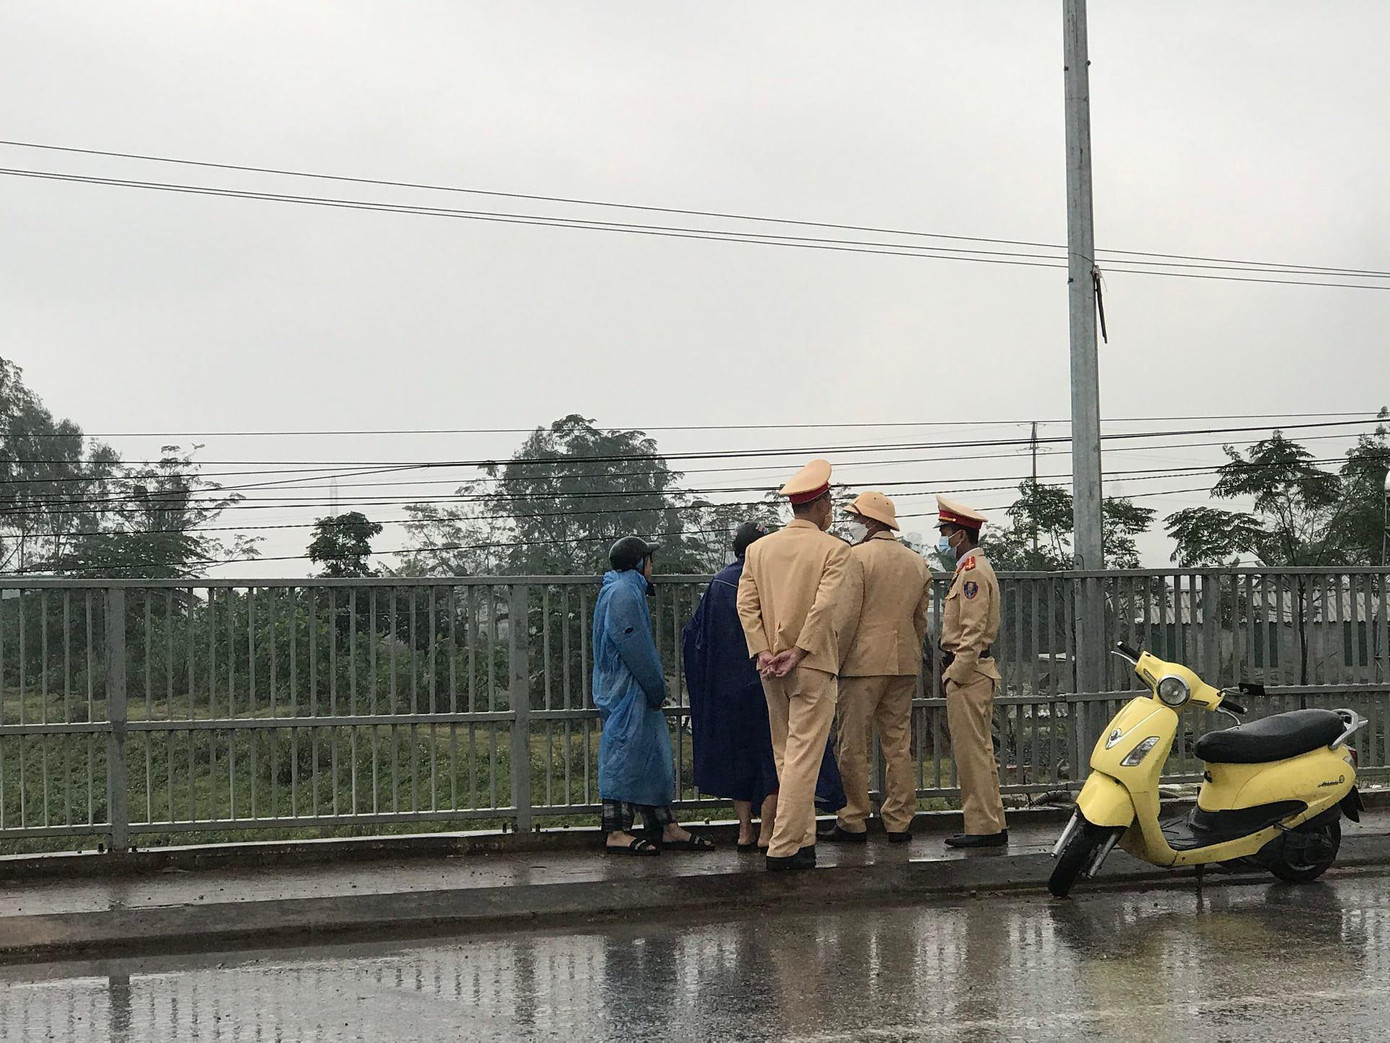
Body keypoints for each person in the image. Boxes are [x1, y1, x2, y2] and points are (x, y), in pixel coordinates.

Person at [684, 521, 849, 852]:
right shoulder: (775, 576)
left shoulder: (718, 584)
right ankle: (770, 833)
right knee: (781, 755)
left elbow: (696, 638)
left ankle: (745, 830)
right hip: (775, 675)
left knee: (740, 759)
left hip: (733, 686)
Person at [737, 460, 863, 871]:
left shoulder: (758, 550)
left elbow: (746, 606)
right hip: (812, 664)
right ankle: (785, 846)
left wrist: (762, 651)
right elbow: (825, 606)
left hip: (770, 665)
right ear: (823, 504)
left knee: (784, 751)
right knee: (805, 753)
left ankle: (803, 838)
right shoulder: (835, 549)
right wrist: (802, 650)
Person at [822, 490, 933, 844]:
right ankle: (899, 820)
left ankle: (853, 817)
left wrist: (834, 660)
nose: (853, 524)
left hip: (861, 664)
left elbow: (846, 615)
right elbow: (920, 620)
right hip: (903, 663)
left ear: (869, 522)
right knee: (898, 743)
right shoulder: (917, 563)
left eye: (856, 518)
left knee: (852, 743)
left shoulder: (855, 558)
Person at [594, 535, 715, 855]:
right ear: (638, 564)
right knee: (623, 757)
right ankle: (616, 831)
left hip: (625, 688)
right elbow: (635, 648)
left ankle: (664, 826)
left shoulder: (621, 588)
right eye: (649, 560)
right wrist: (656, 687)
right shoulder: (624, 594)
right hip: (628, 689)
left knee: (650, 758)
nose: (653, 567)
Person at [935, 497, 1007, 848]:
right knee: (980, 752)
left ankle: (982, 827)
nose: (943, 539)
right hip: (976, 670)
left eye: (945, 532)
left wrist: (956, 673)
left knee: (971, 754)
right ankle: (991, 822)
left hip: (970, 671)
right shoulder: (971, 569)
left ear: (960, 536)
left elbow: (973, 628)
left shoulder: (973, 572)